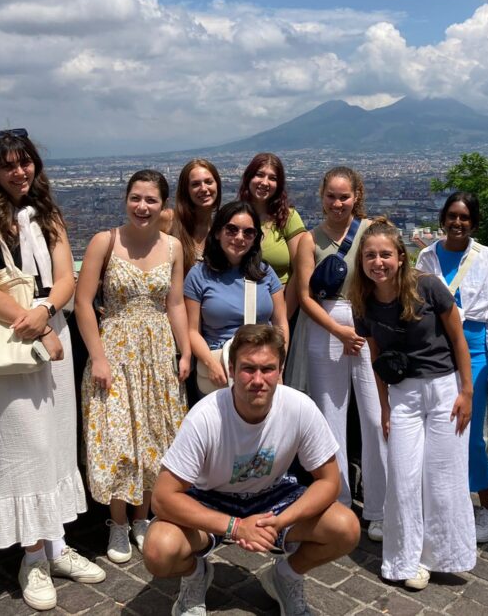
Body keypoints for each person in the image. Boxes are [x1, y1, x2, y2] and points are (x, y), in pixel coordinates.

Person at [0, 129, 103, 611]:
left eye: (26, 162)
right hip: (6, 346)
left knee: (55, 445)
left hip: (47, 338)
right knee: (19, 448)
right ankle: (31, 556)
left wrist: (46, 311)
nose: (20, 172)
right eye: (9, 165)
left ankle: (55, 544)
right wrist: (37, 324)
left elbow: (64, 278)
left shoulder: (46, 213)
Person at [142, 324, 360, 616]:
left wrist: (280, 522)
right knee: (158, 550)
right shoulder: (205, 417)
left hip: (273, 496)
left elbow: (330, 481)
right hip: (211, 496)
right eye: (248, 368)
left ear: (281, 369)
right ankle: (195, 576)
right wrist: (235, 526)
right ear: (231, 369)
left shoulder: (300, 407)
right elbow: (163, 497)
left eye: (268, 369)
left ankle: (285, 576)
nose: (258, 380)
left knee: (346, 528)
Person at [350, 218, 478, 590]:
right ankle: (404, 559)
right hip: (402, 392)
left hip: (443, 388)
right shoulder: (365, 301)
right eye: (370, 255)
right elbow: (375, 357)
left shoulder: (428, 288)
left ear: (401, 257)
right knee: (403, 478)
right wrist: (386, 407)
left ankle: (442, 555)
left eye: (386, 254)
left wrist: (466, 391)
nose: (378, 262)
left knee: (442, 477)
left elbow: (458, 340)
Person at [74, 170, 192, 563]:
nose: (143, 207)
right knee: (119, 437)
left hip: (158, 352)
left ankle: (144, 518)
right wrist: (99, 357)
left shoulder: (173, 246)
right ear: (126, 200)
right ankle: (119, 521)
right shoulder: (104, 242)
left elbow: (174, 303)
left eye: (151, 200)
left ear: (163, 205)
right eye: (136, 198)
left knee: (156, 435)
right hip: (116, 351)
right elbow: (83, 302)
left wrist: (185, 351)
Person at [294, 167, 387, 541]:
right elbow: (303, 296)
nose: (337, 203)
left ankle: (380, 506)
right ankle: (340, 501)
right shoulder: (308, 240)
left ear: (356, 196)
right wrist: (338, 331)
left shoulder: (370, 232)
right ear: (322, 197)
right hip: (325, 326)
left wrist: (357, 331)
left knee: (375, 415)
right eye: (331, 196)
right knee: (329, 420)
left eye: (344, 196)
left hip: (365, 323)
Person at [415, 192, 488, 543]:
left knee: (469, 436)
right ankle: (445, 505)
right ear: (443, 218)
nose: (457, 223)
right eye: (452, 216)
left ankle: (486, 507)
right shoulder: (426, 256)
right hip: (435, 351)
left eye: (464, 218)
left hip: (475, 349)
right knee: (436, 433)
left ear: (474, 223)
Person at [184, 201, 288, 403]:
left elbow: (281, 322)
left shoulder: (265, 273)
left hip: (261, 366)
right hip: (219, 369)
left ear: (255, 239)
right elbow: (191, 330)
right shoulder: (198, 276)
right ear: (217, 233)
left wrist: (278, 364)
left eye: (248, 233)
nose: (239, 238)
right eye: (231, 230)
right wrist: (211, 365)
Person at [237, 153, 306, 318]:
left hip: (281, 307)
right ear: (248, 178)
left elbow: (300, 271)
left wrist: (283, 317)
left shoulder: (289, 218)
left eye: (272, 178)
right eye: (259, 175)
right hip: (240, 307)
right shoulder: (235, 218)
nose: (265, 182)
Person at [171, 159, 222, 276]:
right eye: (195, 184)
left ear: (217, 185)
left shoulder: (222, 229)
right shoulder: (170, 221)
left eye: (209, 182)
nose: (204, 189)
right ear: (186, 190)